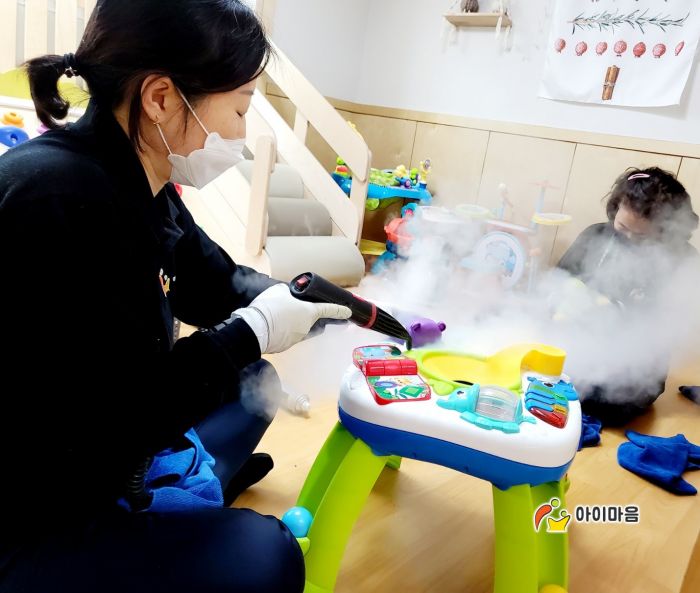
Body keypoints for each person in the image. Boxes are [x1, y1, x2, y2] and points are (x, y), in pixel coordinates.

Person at [0, 1, 351, 591]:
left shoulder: (141, 183)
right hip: (36, 508)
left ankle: (185, 499)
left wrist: (319, 308)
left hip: (106, 445)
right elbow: (113, 423)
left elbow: (217, 284)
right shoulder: (56, 199)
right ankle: (180, 506)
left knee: (251, 381)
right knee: (266, 556)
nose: (241, 134)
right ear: (160, 98)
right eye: (239, 109)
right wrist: (254, 329)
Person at [558, 167, 699, 425]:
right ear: (615, 209)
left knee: (607, 402)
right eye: (622, 228)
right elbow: (558, 283)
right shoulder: (595, 235)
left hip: (634, 364)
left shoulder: (684, 261)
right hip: (577, 341)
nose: (629, 239)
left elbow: (675, 331)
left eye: (642, 236)